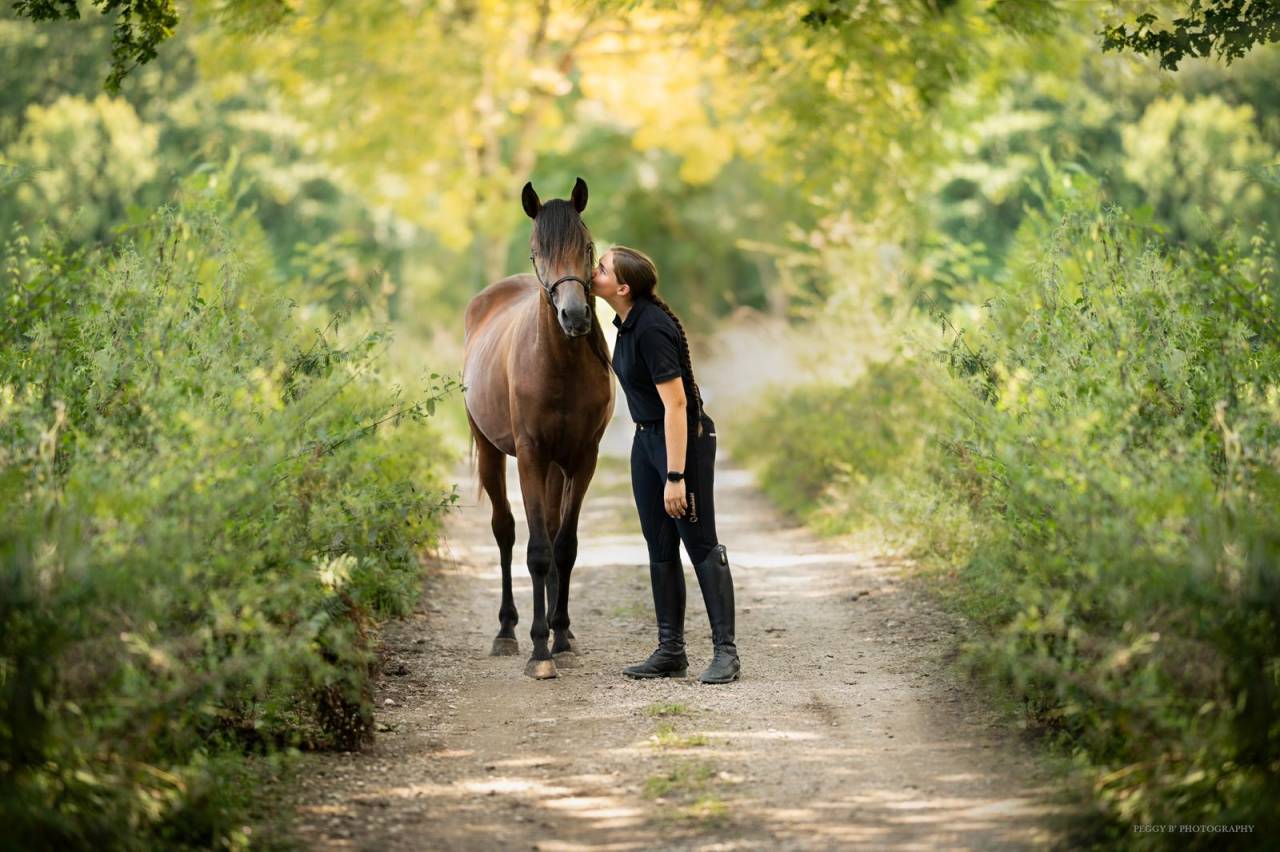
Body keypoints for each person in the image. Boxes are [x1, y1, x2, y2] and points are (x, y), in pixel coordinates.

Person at [591, 246, 740, 684]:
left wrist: (675, 476)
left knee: (700, 543)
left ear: (622, 287)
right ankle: (670, 650)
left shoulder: (652, 329)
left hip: (682, 442)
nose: (592, 271)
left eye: (600, 267)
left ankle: (726, 653)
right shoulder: (625, 324)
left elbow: (677, 405)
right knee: (659, 545)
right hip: (646, 439)